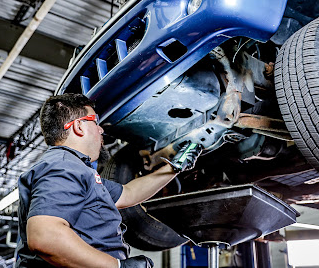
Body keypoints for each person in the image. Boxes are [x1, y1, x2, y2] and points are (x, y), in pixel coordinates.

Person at [15, 93, 201, 268]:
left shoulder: (79, 171)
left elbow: (128, 194)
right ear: (78, 127)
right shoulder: (63, 167)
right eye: (95, 121)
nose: (101, 129)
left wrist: (174, 167)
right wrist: (118, 266)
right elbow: (45, 236)